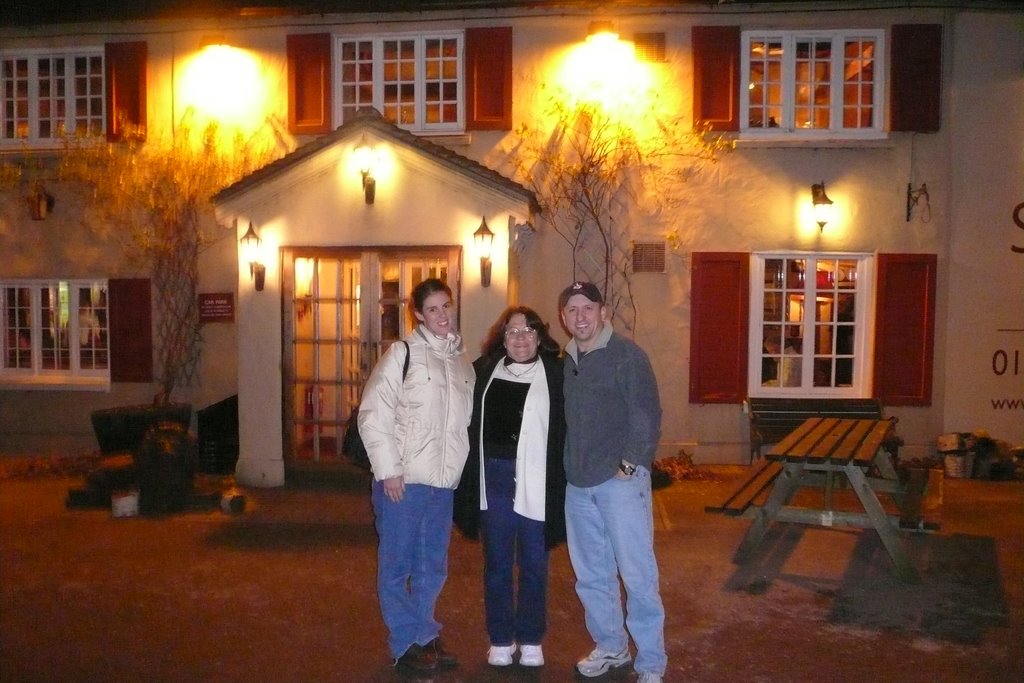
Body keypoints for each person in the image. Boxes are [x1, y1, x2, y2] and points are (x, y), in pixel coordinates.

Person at [357, 277, 475, 675]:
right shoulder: (402, 354)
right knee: (397, 566)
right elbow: (374, 413)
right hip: (403, 483)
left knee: (432, 566)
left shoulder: (461, 363)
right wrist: (389, 470)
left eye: (446, 306)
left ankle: (424, 632)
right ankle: (404, 641)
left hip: (441, 485)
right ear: (419, 315)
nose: (442, 315)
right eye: (433, 309)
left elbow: (462, 426)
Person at [558, 281, 666, 683]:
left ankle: (651, 662)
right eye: (572, 310)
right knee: (592, 576)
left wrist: (630, 465)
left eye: (588, 307)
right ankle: (611, 646)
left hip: (620, 483)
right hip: (579, 483)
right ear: (563, 317)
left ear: (603, 312)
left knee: (637, 575)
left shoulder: (626, 356)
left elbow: (647, 415)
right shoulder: (567, 360)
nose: (580, 316)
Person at [453, 306, 567, 669]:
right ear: (501, 338)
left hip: (537, 479)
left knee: (535, 562)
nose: (520, 338)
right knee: (498, 563)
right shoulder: (483, 371)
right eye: (513, 331)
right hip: (495, 480)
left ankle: (531, 638)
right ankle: (501, 637)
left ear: (540, 337)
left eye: (528, 331)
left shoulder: (557, 373)